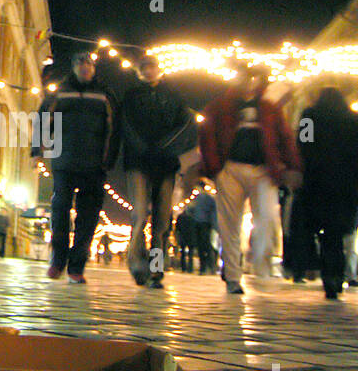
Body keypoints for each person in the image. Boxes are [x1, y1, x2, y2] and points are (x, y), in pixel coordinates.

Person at [199, 65, 302, 293]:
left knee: (267, 218)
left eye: (252, 78)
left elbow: (285, 137)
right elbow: (207, 135)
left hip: (264, 171)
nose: (248, 82)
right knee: (230, 225)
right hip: (230, 169)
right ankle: (233, 276)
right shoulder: (219, 106)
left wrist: (293, 166)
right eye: (243, 78)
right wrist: (215, 167)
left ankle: (261, 263)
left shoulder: (269, 108)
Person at [32, 51, 119, 284]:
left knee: (88, 217)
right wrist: (37, 149)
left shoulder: (104, 94)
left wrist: (109, 158)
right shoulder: (61, 91)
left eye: (88, 64)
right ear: (73, 67)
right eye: (80, 63)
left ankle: (76, 267)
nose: (84, 67)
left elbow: (114, 127)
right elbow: (43, 119)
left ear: (94, 68)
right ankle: (57, 261)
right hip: (64, 161)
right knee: (60, 210)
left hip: (94, 164)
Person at [119, 53, 196, 288]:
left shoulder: (173, 95)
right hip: (138, 162)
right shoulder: (131, 96)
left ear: (158, 69)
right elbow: (125, 125)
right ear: (138, 71)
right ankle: (138, 264)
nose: (148, 71)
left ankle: (156, 270)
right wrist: (141, 146)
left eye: (151, 66)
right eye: (143, 67)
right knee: (140, 214)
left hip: (165, 163)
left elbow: (186, 124)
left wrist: (165, 146)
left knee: (162, 222)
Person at [292, 87, 358, 299]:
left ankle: (328, 275)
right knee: (337, 232)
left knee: (323, 232)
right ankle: (337, 274)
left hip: (317, 181)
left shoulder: (310, 116)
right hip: (345, 184)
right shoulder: (353, 120)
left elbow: (303, 143)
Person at [186, 180, 218, 274]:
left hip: (198, 224)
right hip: (207, 224)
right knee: (207, 245)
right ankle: (211, 267)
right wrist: (214, 224)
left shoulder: (195, 199)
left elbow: (189, 210)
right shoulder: (209, 198)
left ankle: (203, 268)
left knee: (201, 246)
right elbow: (214, 212)